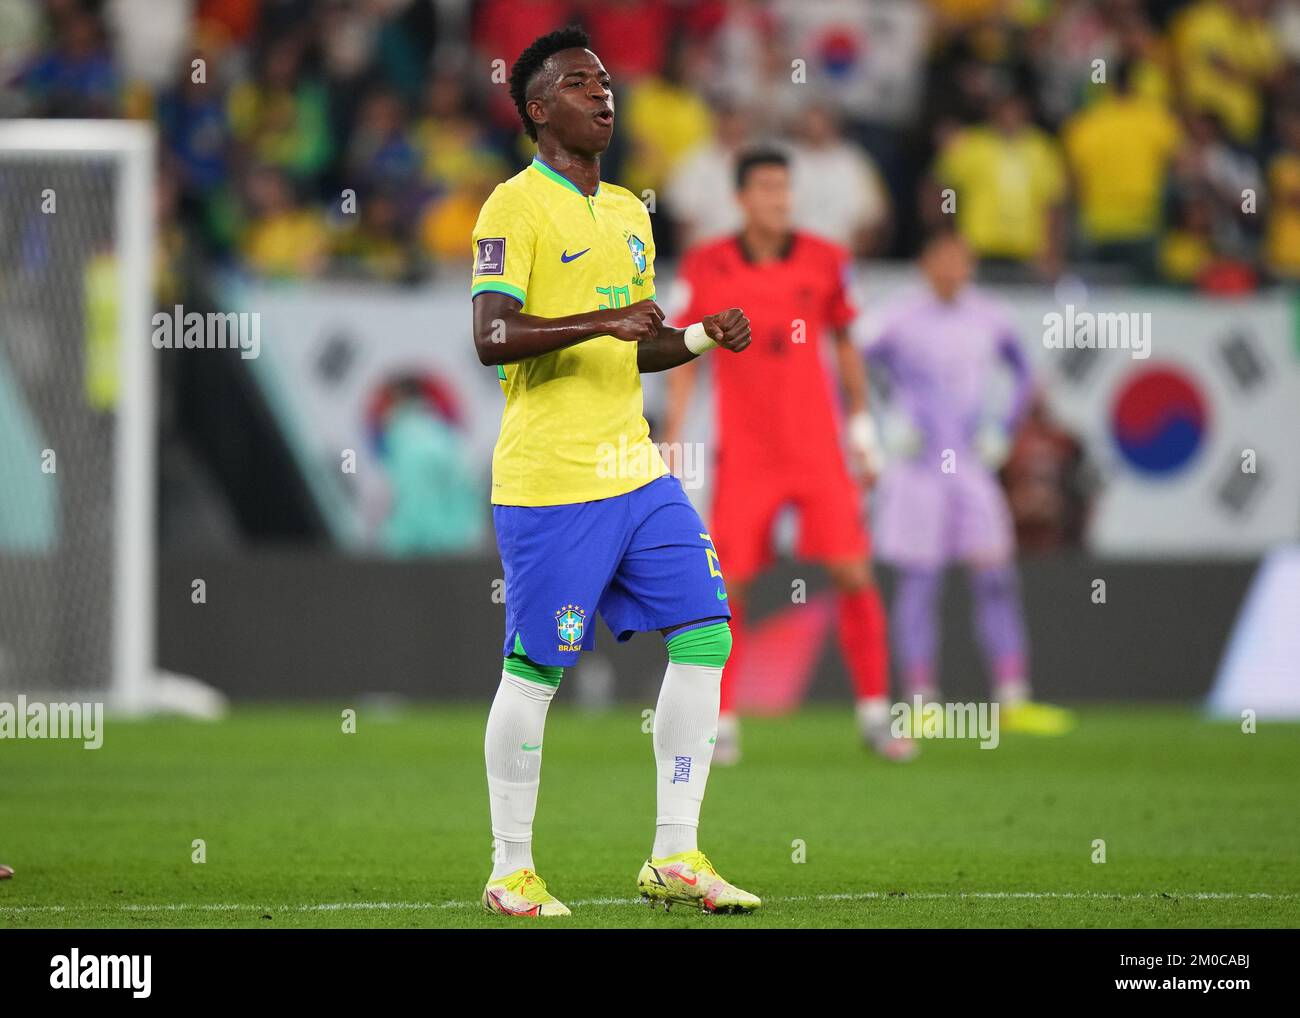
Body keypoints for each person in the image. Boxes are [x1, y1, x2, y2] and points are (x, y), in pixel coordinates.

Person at [470, 26, 758, 918]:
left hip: (635, 469)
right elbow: (489, 338)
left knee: (707, 633)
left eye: (605, 82)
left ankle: (676, 852)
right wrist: (600, 323)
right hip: (552, 481)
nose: (604, 95)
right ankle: (509, 869)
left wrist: (703, 335)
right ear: (537, 109)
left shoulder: (632, 210)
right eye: (580, 84)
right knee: (535, 673)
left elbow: (643, 342)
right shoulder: (511, 207)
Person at [663, 148, 910, 763]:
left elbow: (847, 344)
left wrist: (862, 428)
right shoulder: (706, 264)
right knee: (730, 586)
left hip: (817, 449)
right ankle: (722, 723)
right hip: (745, 453)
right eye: (767, 189)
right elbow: (682, 353)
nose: (779, 199)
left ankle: (877, 716)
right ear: (741, 198)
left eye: (785, 189)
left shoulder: (828, 261)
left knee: (854, 572)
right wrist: (672, 435)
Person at [866, 227, 1073, 736]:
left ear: (971, 265)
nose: (952, 270)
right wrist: (882, 420)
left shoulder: (992, 316)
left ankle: (1012, 696)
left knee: (997, 576)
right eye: (943, 260)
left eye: (961, 261)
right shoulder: (895, 317)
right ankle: (920, 700)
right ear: (925, 264)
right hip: (917, 469)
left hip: (972, 465)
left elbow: (1026, 374)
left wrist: (1003, 428)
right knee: (920, 581)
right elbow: (847, 364)